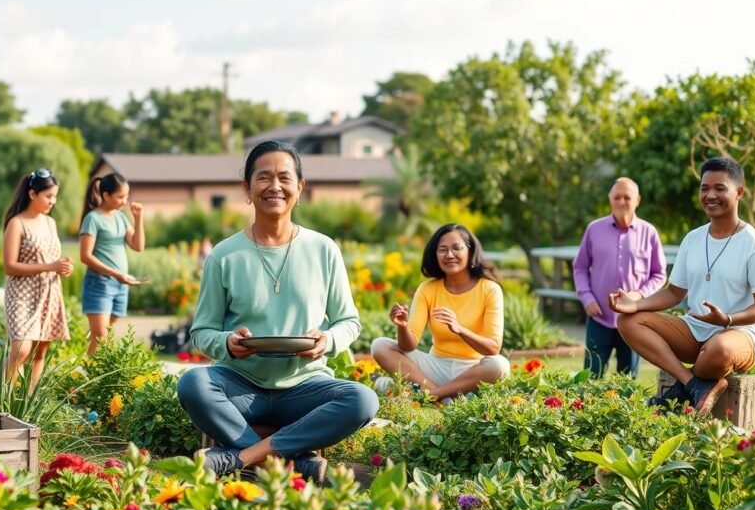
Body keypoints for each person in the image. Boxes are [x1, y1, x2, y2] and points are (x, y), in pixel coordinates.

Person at [176, 141, 378, 485]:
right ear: (247, 188)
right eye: (264, 177)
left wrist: (326, 340)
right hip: (241, 387)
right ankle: (294, 465)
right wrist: (227, 343)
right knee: (193, 383)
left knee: (362, 399)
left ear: (299, 187)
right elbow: (202, 331)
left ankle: (244, 457)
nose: (275, 186)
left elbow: (349, 322)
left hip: (306, 387)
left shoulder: (323, 249)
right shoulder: (224, 255)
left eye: (285, 178)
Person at [611, 157, 755, 415]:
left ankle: (679, 392)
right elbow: (675, 293)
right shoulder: (693, 239)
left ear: (739, 192)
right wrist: (635, 304)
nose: (710, 195)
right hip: (695, 330)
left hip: (740, 335)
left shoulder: (754, 244)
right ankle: (691, 383)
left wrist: (727, 319)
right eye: (704, 188)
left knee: (719, 348)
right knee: (627, 321)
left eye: (720, 188)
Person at [371, 224, 510, 403]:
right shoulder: (427, 289)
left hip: (472, 371)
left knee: (499, 365)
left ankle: (428, 394)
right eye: (442, 250)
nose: (449, 255)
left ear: (470, 250)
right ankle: (438, 395)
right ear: (435, 255)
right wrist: (403, 327)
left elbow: (492, 348)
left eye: (456, 248)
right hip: (435, 367)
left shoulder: (490, 289)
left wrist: (459, 329)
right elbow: (408, 346)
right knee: (380, 346)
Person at [573, 177, 667, 378]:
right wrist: (587, 299)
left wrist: (640, 295)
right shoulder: (594, 229)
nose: (622, 201)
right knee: (590, 378)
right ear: (610, 199)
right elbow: (580, 268)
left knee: (627, 381)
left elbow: (659, 274)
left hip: (633, 318)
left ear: (637, 200)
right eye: (617, 197)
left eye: (627, 197)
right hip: (599, 316)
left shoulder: (649, 232)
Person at [2, 168, 73, 391]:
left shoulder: (50, 223)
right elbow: (9, 266)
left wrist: (62, 266)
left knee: (40, 351)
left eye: (55, 197)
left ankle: (30, 404)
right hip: (21, 294)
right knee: (22, 349)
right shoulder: (17, 223)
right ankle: (4, 399)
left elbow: (50, 257)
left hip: (48, 292)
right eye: (48, 196)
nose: (53, 201)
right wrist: (50, 266)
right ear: (33, 194)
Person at [79, 172, 146, 356]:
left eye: (127, 196)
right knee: (100, 336)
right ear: (106, 195)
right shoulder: (93, 219)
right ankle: (85, 378)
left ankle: (97, 377)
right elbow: (85, 256)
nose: (125, 200)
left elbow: (138, 245)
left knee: (106, 337)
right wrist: (116, 274)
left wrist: (138, 218)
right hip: (99, 284)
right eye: (120, 196)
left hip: (120, 285)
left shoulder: (120, 217)